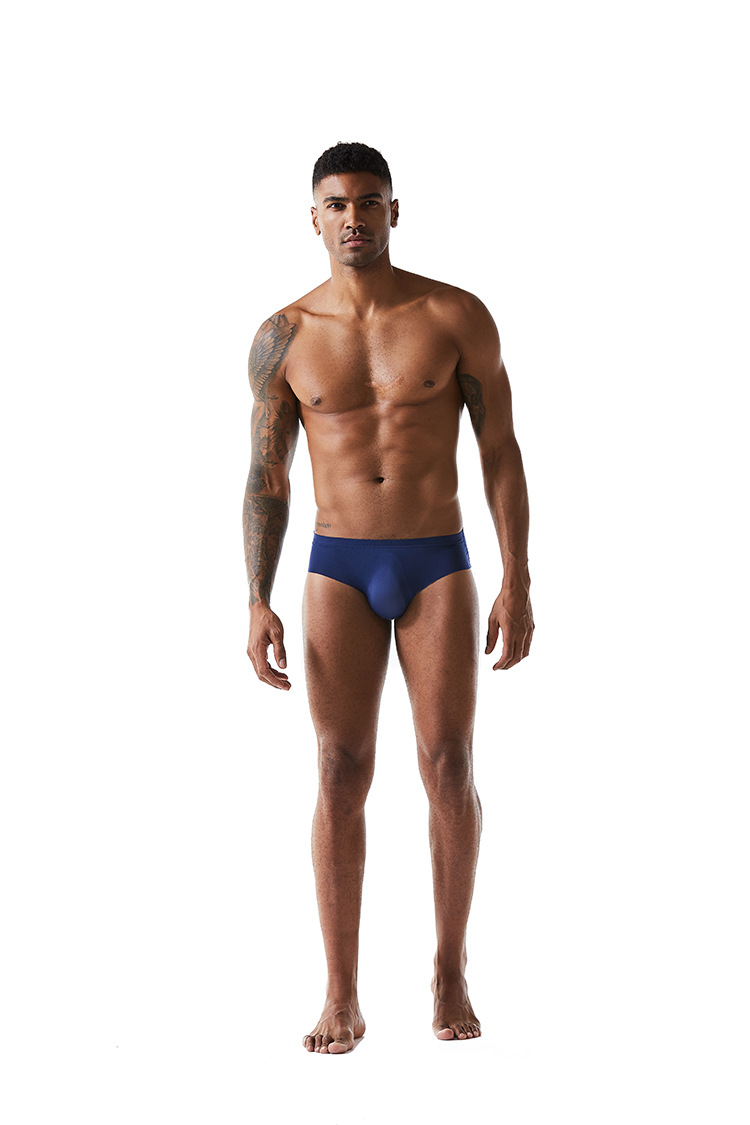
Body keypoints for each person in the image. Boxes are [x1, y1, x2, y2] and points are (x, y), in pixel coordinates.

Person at [243, 142, 534, 1054]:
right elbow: (267, 475)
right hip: (337, 564)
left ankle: (448, 966)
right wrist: (256, 598)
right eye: (336, 204)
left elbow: (499, 450)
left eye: (369, 201)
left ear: (394, 211)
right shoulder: (285, 334)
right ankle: (341, 993)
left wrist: (518, 576)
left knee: (448, 764)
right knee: (339, 769)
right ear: (314, 218)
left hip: (437, 561)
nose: (354, 217)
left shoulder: (454, 315)